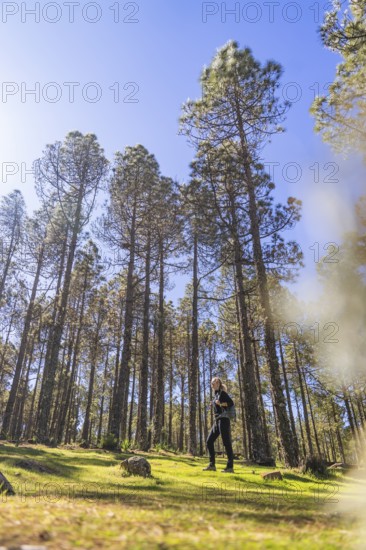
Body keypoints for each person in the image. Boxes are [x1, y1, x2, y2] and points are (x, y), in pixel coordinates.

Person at [203, 377, 234, 473]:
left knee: (226, 442)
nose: (211, 384)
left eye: (213, 383)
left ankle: (230, 467)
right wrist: (213, 404)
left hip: (224, 420)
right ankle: (212, 465)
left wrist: (220, 403)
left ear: (217, 383)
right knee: (209, 441)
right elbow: (217, 404)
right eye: (211, 383)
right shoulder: (216, 394)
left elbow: (231, 403)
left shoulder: (223, 393)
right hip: (217, 420)